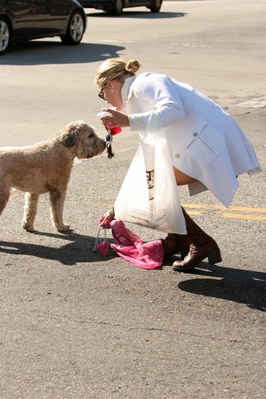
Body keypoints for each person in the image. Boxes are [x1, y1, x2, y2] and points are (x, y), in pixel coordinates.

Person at [95, 58, 261, 272]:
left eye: (102, 94)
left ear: (110, 84)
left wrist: (129, 121)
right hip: (201, 143)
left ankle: (199, 242)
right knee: (152, 181)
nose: (106, 100)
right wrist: (115, 208)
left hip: (208, 142)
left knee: (154, 183)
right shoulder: (136, 97)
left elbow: (174, 110)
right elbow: (144, 162)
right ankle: (178, 239)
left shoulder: (144, 82)